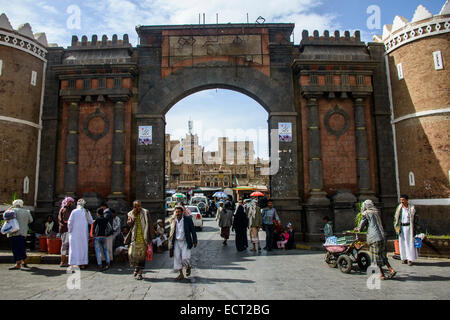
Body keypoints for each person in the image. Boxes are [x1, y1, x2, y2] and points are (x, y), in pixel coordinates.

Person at [356, 199, 396, 280]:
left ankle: (381, 274)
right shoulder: (376, 212)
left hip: (374, 237)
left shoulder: (366, 213)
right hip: (382, 236)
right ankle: (391, 269)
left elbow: (361, 226)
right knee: (382, 254)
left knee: (375, 257)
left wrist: (357, 229)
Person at [125, 200, 155, 280]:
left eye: (139, 205)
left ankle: (140, 274)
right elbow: (129, 224)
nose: (139, 207)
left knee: (141, 257)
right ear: (134, 206)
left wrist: (151, 236)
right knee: (132, 254)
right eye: (137, 206)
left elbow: (150, 223)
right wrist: (132, 218)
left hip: (143, 238)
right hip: (134, 238)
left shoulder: (145, 212)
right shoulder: (130, 213)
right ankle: (136, 268)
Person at [168, 206, 198, 280]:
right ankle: (181, 274)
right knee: (177, 258)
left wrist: (195, 241)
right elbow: (171, 232)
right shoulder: (173, 220)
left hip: (185, 241)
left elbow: (193, 231)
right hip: (176, 242)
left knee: (185, 258)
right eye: (176, 212)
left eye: (179, 212)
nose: (177, 213)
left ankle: (188, 266)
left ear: (182, 212)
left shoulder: (187, 220)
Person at [7, 200, 33, 270]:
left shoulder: (12, 211)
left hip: (14, 232)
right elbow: (31, 220)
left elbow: (6, 217)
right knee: (22, 247)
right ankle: (24, 261)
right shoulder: (26, 211)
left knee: (16, 248)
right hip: (23, 233)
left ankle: (18, 264)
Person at [394, 195, 419, 266]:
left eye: (403, 200)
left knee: (409, 243)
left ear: (407, 200)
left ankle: (410, 259)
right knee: (402, 243)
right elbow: (396, 219)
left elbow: (416, 219)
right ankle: (403, 258)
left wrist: (416, 229)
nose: (402, 201)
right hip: (401, 227)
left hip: (409, 227)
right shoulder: (399, 208)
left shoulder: (411, 208)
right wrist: (396, 228)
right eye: (401, 200)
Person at [68, 198, 93, 269]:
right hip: (83, 234)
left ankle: (73, 263)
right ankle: (82, 264)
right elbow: (90, 221)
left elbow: (70, 222)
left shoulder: (74, 211)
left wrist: (70, 231)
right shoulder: (86, 212)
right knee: (83, 248)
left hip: (74, 234)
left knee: (74, 248)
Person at [58, 197, 74, 267]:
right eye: (70, 202)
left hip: (68, 229)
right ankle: (63, 261)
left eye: (72, 202)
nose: (71, 203)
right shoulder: (64, 209)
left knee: (68, 246)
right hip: (65, 229)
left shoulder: (70, 210)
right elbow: (63, 220)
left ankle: (67, 261)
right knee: (65, 245)